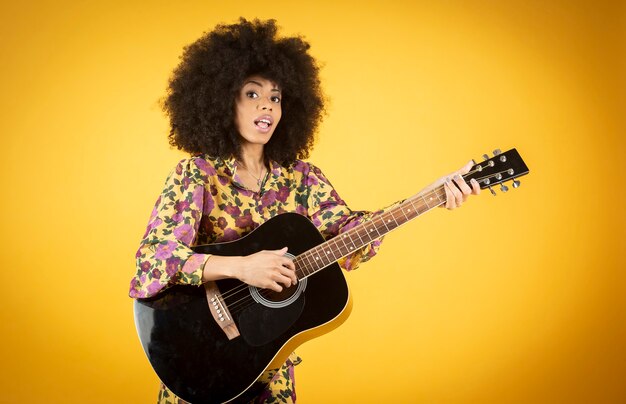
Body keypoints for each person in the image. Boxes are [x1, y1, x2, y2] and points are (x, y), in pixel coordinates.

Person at [129, 18, 480, 404]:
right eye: (251, 93)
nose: (266, 105)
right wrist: (241, 267)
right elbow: (154, 259)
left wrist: (427, 196)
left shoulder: (303, 179)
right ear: (221, 100)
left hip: (271, 368)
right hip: (196, 357)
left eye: (276, 97)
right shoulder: (195, 175)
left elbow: (351, 237)